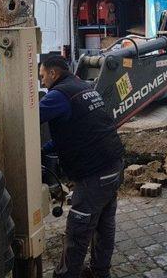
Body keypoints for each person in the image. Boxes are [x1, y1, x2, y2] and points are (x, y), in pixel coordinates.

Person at [38, 55, 125, 278]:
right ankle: (100, 272)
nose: (42, 82)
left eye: (43, 76)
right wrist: (45, 150)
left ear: (53, 73)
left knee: (78, 228)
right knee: (104, 223)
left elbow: (28, 117)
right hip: (114, 164)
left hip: (95, 173)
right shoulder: (83, 86)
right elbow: (78, 130)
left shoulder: (58, 95)